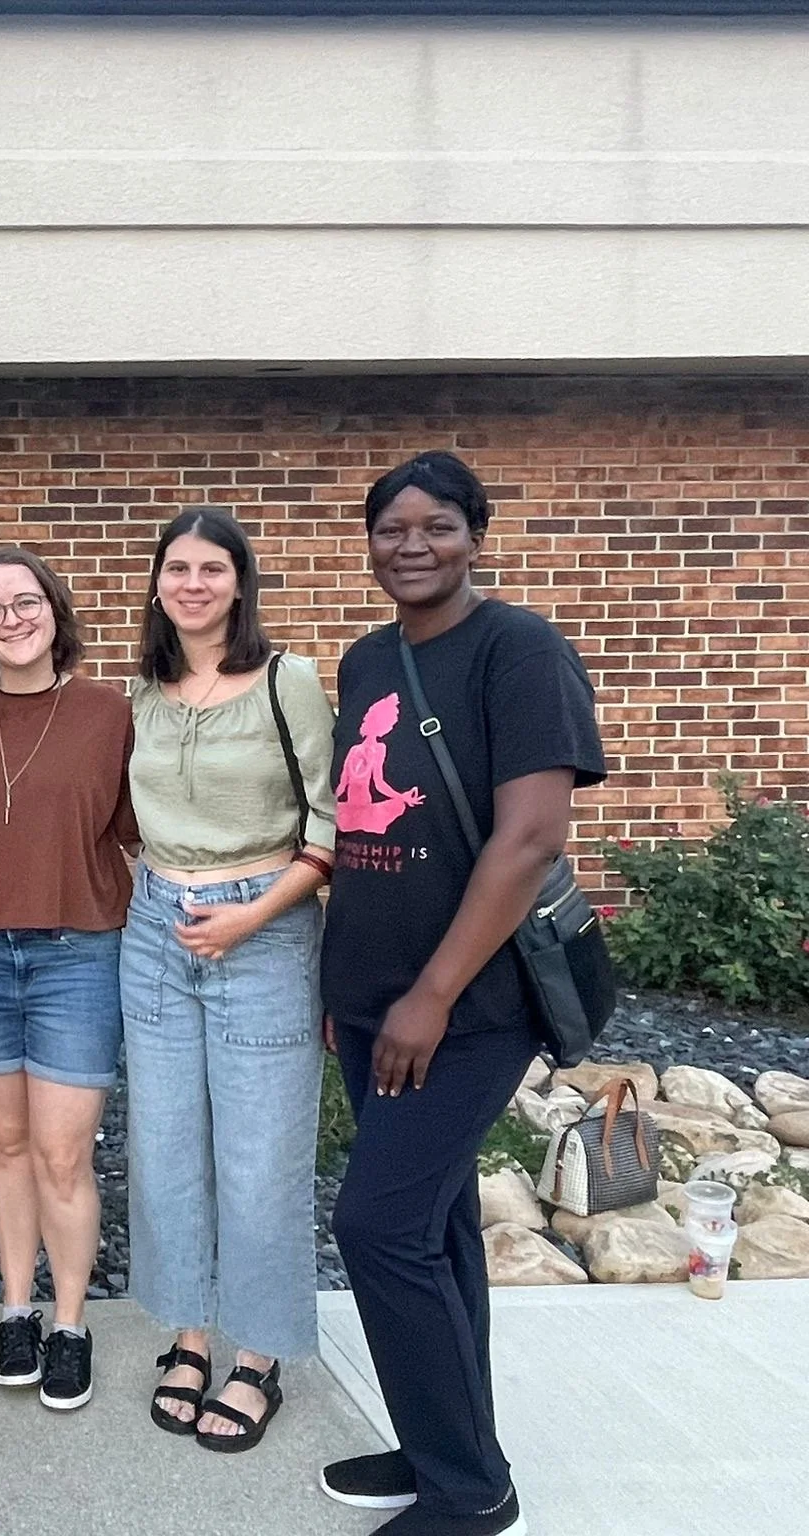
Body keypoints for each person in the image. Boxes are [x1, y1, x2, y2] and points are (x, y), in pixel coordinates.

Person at [319, 452, 603, 1536]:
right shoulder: (368, 659)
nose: (412, 546)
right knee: (433, 1227)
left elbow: (529, 838)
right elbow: (362, 832)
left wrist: (431, 995)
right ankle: (445, 1445)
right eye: (391, 529)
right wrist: (346, 985)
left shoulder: (519, 651)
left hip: (469, 1009)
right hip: (375, 1000)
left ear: (474, 536)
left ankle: (470, 1493)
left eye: (436, 526)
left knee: (378, 1225)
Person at [120, 509, 338, 1452]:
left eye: (213, 569)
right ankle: (189, 1336)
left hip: (266, 931)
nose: (194, 585)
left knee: (260, 1157)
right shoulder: (144, 692)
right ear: (158, 583)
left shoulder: (289, 681)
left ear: (240, 582)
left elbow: (330, 822)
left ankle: (257, 1356)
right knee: (166, 1148)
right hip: (156, 929)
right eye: (178, 568)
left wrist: (252, 912)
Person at [0, 547, 136, 1412]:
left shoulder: (108, 712)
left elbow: (141, 830)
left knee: (62, 1152)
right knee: (6, 1143)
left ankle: (70, 1323)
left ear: (55, 608)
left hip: (77, 953)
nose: (10, 620)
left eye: (25, 602)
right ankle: (16, 1310)